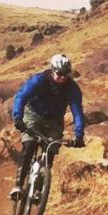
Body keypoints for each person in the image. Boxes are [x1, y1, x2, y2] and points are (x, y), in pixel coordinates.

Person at [10, 53, 85, 199]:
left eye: (66, 74)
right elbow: (21, 96)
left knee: (49, 154)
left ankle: (38, 190)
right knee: (29, 145)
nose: (63, 77)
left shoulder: (72, 88)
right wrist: (18, 117)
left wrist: (79, 135)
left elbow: (77, 111)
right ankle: (18, 186)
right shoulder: (39, 80)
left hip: (54, 121)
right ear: (52, 70)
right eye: (59, 74)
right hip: (33, 115)